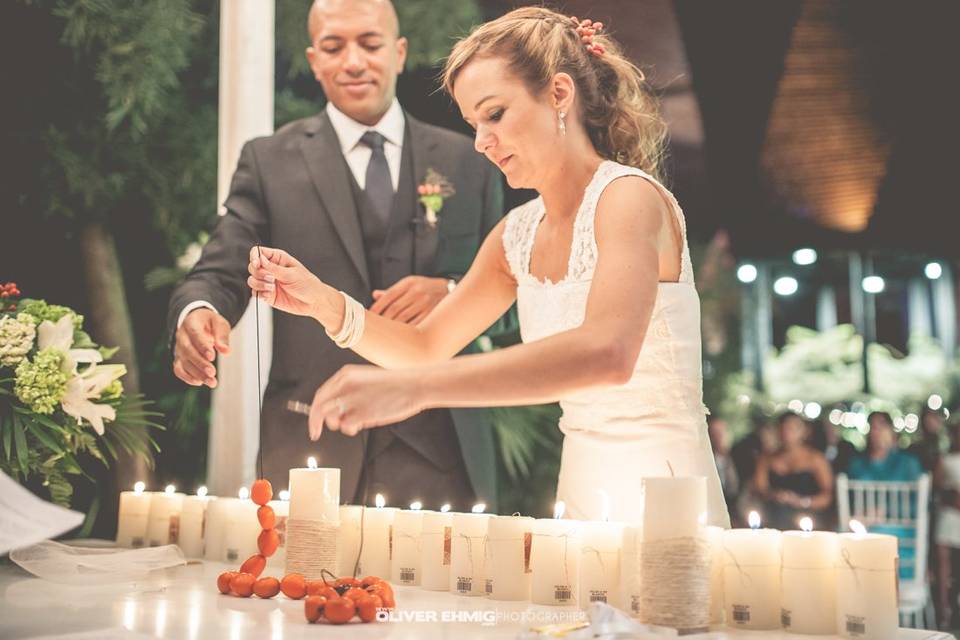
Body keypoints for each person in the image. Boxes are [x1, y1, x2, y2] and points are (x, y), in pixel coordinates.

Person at [246, 7, 730, 526]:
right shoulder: (516, 235)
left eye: (494, 114)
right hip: (584, 490)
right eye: (474, 124)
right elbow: (424, 347)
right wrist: (325, 303)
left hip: (667, 497)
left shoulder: (628, 198)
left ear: (559, 94)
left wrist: (418, 389)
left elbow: (608, 353)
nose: (481, 142)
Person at [168, 0, 507, 509]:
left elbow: (520, 295)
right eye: (334, 46)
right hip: (310, 441)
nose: (353, 61)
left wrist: (454, 292)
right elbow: (224, 263)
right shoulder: (269, 160)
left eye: (369, 45)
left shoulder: (471, 158)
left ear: (398, 53)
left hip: (442, 445)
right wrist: (200, 311)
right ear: (313, 60)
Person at [753, 412, 833, 530]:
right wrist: (775, 495)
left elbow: (827, 496)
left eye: (792, 428)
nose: (787, 433)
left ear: (803, 432)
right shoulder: (766, 459)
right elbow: (759, 489)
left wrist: (802, 502)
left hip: (808, 517)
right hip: (775, 515)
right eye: (783, 428)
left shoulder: (816, 459)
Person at [934, 421, 960, 629]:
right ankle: (944, 610)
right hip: (950, 514)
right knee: (944, 564)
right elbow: (936, 490)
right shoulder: (945, 460)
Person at [848, 411, 924, 482]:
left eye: (882, 427)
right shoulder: (857, 464)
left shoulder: (908, 463)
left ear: (891, 432)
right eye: (873, 427)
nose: (877, 432)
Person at [708, 415, 740, 519]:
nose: (719, 437)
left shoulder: (739, 457)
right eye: (714, 434)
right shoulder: (707, 460)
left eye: (722, 432)